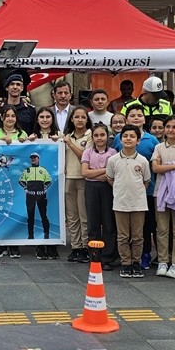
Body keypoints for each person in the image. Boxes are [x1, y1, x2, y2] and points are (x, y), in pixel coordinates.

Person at [106, 126, 151, 278]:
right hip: (120, 203)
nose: (128, 139)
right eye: (125, 136)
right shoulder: (113, 160)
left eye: (132, 136)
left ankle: (136, 262)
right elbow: (110, 179)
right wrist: (121, 191)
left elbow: (146, 181)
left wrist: (136, 193)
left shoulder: (143, 160)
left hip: (138, 203)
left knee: (138, 236)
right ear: (120, 139)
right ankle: (126, 263)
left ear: (138, 141)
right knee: (123, 236)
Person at [151, 115, 175, 278]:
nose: (171, 130)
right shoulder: (159, 147)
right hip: (160, 191)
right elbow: (155, 169)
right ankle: (162, 261)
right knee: (162, 229)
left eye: (174, 127)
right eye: (168, 127)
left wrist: (164, 166)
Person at [80, 123, 117, 268]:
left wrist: (94, 173)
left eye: (102, 135)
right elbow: (85, 173)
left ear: (107, 136)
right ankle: (94, 255)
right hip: (91, 188)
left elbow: (111, 174)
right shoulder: (87, 152)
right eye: (96, 135)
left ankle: (108, 257)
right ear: (92, 137)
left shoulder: (113, 153)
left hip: (107, 188)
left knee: (108, 222)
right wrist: (104, 170)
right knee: (93, 222)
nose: (99, 138)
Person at [62, 106, 91, 262]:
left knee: (83, 215)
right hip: (69, 178)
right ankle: (76, 246)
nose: (80, 120)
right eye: (77, 117)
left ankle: (86, 247)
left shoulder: (91, 135)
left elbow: (84, 156)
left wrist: (71, 144)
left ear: (87, 119)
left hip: (84, 178)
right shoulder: (67, 136)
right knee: (72, 216)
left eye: (83, 117)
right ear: (71, 119)